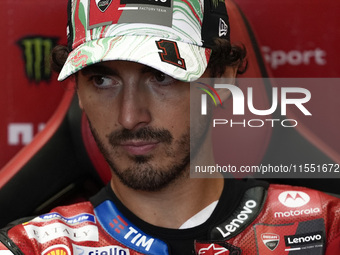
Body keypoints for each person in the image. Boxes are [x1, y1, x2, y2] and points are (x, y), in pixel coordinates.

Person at [1, 0, 340, 254]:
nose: (130, 117)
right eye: (102, 79)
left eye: (161, 76)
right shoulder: (30, 248)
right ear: (79, 91)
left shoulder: (323, 227)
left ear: (222, 80)